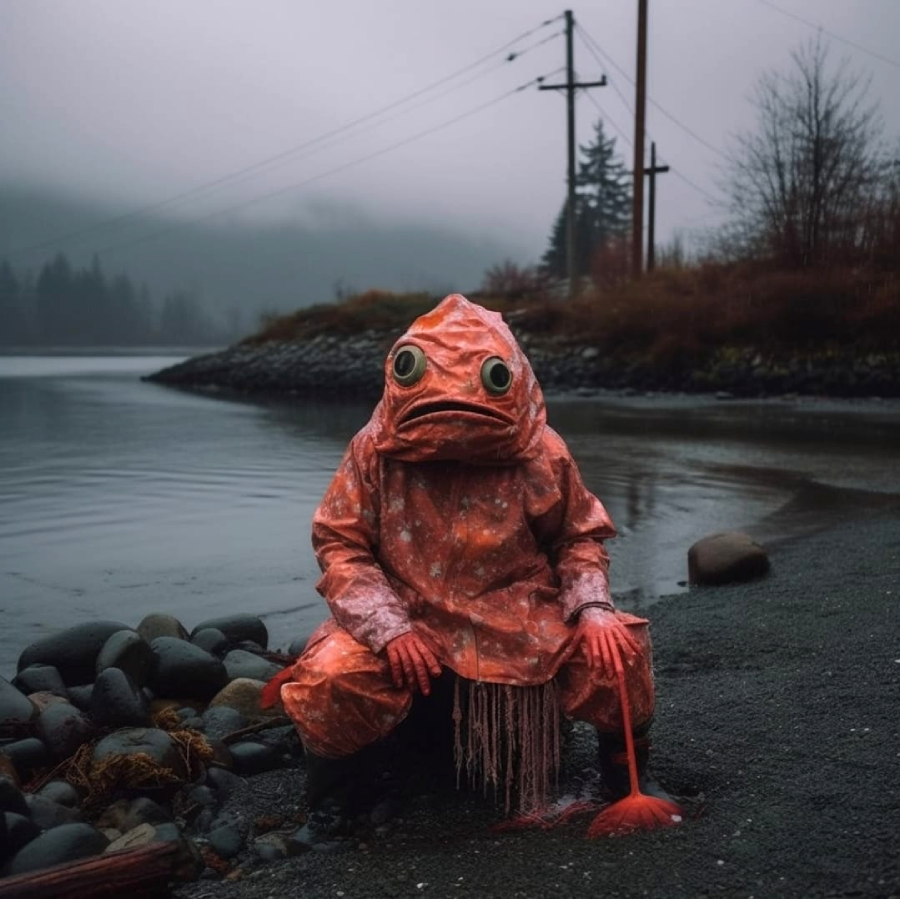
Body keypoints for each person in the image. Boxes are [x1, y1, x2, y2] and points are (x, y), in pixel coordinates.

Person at [270, 293, 661, 847]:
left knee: (618, 652)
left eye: (493, 377)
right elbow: (341, 545)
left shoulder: (541, 453)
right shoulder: (372, 451)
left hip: (520, 615)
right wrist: (389, 628)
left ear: (513, 379)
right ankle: (333, 806)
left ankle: (629, 782)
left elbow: (579, 538)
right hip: (409, 613)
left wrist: (593, 609)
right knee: (335, 674)